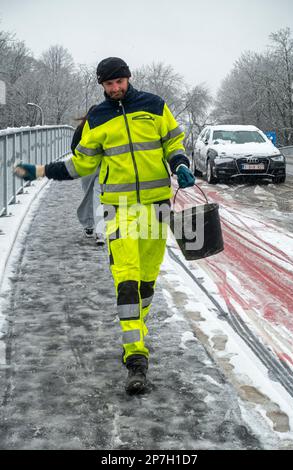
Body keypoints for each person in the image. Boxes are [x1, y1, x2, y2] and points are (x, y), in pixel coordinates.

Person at [15, 57, 195, 394]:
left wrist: (180, 163)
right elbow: (80, 163)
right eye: (108, 85)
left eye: (118, 82)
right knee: (126, 282)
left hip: (157, 208)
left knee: (146, 283)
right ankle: (136, 356)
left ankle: (135, 331)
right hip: (120, 210)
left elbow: (173, 143)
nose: (114, 89)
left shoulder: (154, 106)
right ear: (102, 86)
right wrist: (40, 171)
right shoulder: (97, 118)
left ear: (128, 78)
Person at [71, 106, 105, 245]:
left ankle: (92, 228)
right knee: (98, 197)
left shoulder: (81, 128)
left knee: (90, 196)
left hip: (87, 168)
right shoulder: (105, 127)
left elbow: (74, 147)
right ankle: (97, 230)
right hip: (102, 165)